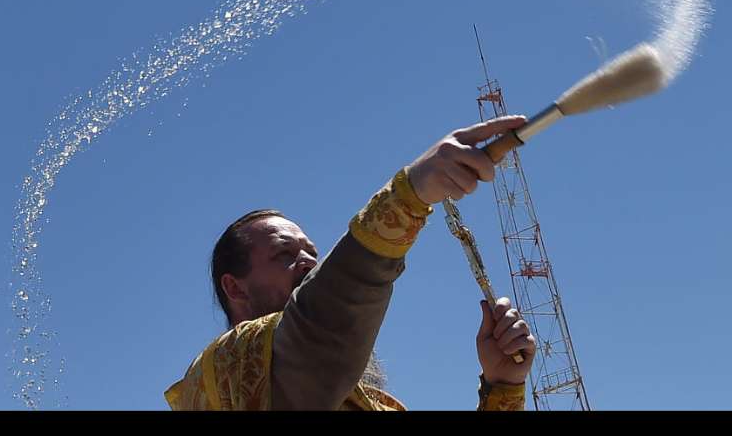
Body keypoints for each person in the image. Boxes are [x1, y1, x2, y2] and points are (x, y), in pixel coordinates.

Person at [165, 115, 536, 411]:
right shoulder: (224, 372)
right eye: (284, 254)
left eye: (311, 251)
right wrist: (409, 195)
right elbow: (318, 328)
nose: (310, 262)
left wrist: (502, 387)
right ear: (234, 287)